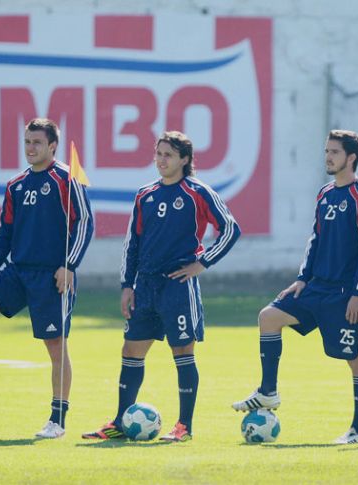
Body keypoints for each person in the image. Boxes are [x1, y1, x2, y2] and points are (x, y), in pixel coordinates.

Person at [81, 131, 241, 442]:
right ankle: (119, 422)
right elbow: (133, 244)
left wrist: (202, 262)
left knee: (181, 351)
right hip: (145, 286)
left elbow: (230, 229)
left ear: (184, 159)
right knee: (131, 350)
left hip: (178, 286)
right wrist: (127, 285)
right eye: (158, 153)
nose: (161, 160)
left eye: (168, 154)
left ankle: (184, 427)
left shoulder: (198, 192)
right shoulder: (145, 195)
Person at [232, 129, 358, 444]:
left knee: (355, 359)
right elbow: (315, 239)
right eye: (326, 151)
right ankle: (268, 392)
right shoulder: (325, 193)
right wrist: (302, 278)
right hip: (316, 287)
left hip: (347, 294)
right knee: (268, 317)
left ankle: (357, 431)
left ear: (351, 157)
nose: (328, 156)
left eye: (334, 152)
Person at [0, 118, 94, 439]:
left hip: (52, 275)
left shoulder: (68, 179)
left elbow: (85, 224)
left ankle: (58, 419)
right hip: (17, 271)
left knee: (56, 347)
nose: (30, 148)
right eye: (27, 142)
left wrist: (69, 265)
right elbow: (6, 233)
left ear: (52, 146)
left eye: (37, 143)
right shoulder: (16, 184)